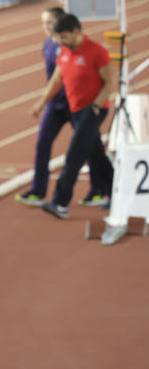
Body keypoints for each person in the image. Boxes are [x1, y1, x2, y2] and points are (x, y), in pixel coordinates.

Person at [30, 13, 115, 219]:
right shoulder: (64, 52)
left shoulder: (96, 51)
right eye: (58, 38)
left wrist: (95, 106)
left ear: (77, 32)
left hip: (92, 110)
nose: (60, 41)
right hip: (75, 110)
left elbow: (110, 81)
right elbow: (56, 80)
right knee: (96, 155)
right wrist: (42, 102)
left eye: (64, 37)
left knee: (74, 154)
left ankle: (60, 203)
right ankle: (116, 192)